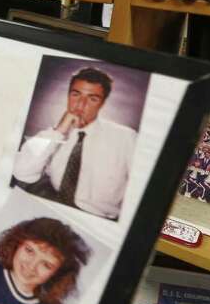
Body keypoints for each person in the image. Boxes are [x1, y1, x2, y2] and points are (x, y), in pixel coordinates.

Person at [13, 66, 138, 219]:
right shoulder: (54, 134)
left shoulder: (126, 137)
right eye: (75, 94)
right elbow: (22, 172)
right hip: (52, 208)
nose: (80, 104)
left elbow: (140, 192)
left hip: (98, 219)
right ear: (68, 95)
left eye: (92, 98)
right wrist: (59, 131)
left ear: (102, 103)